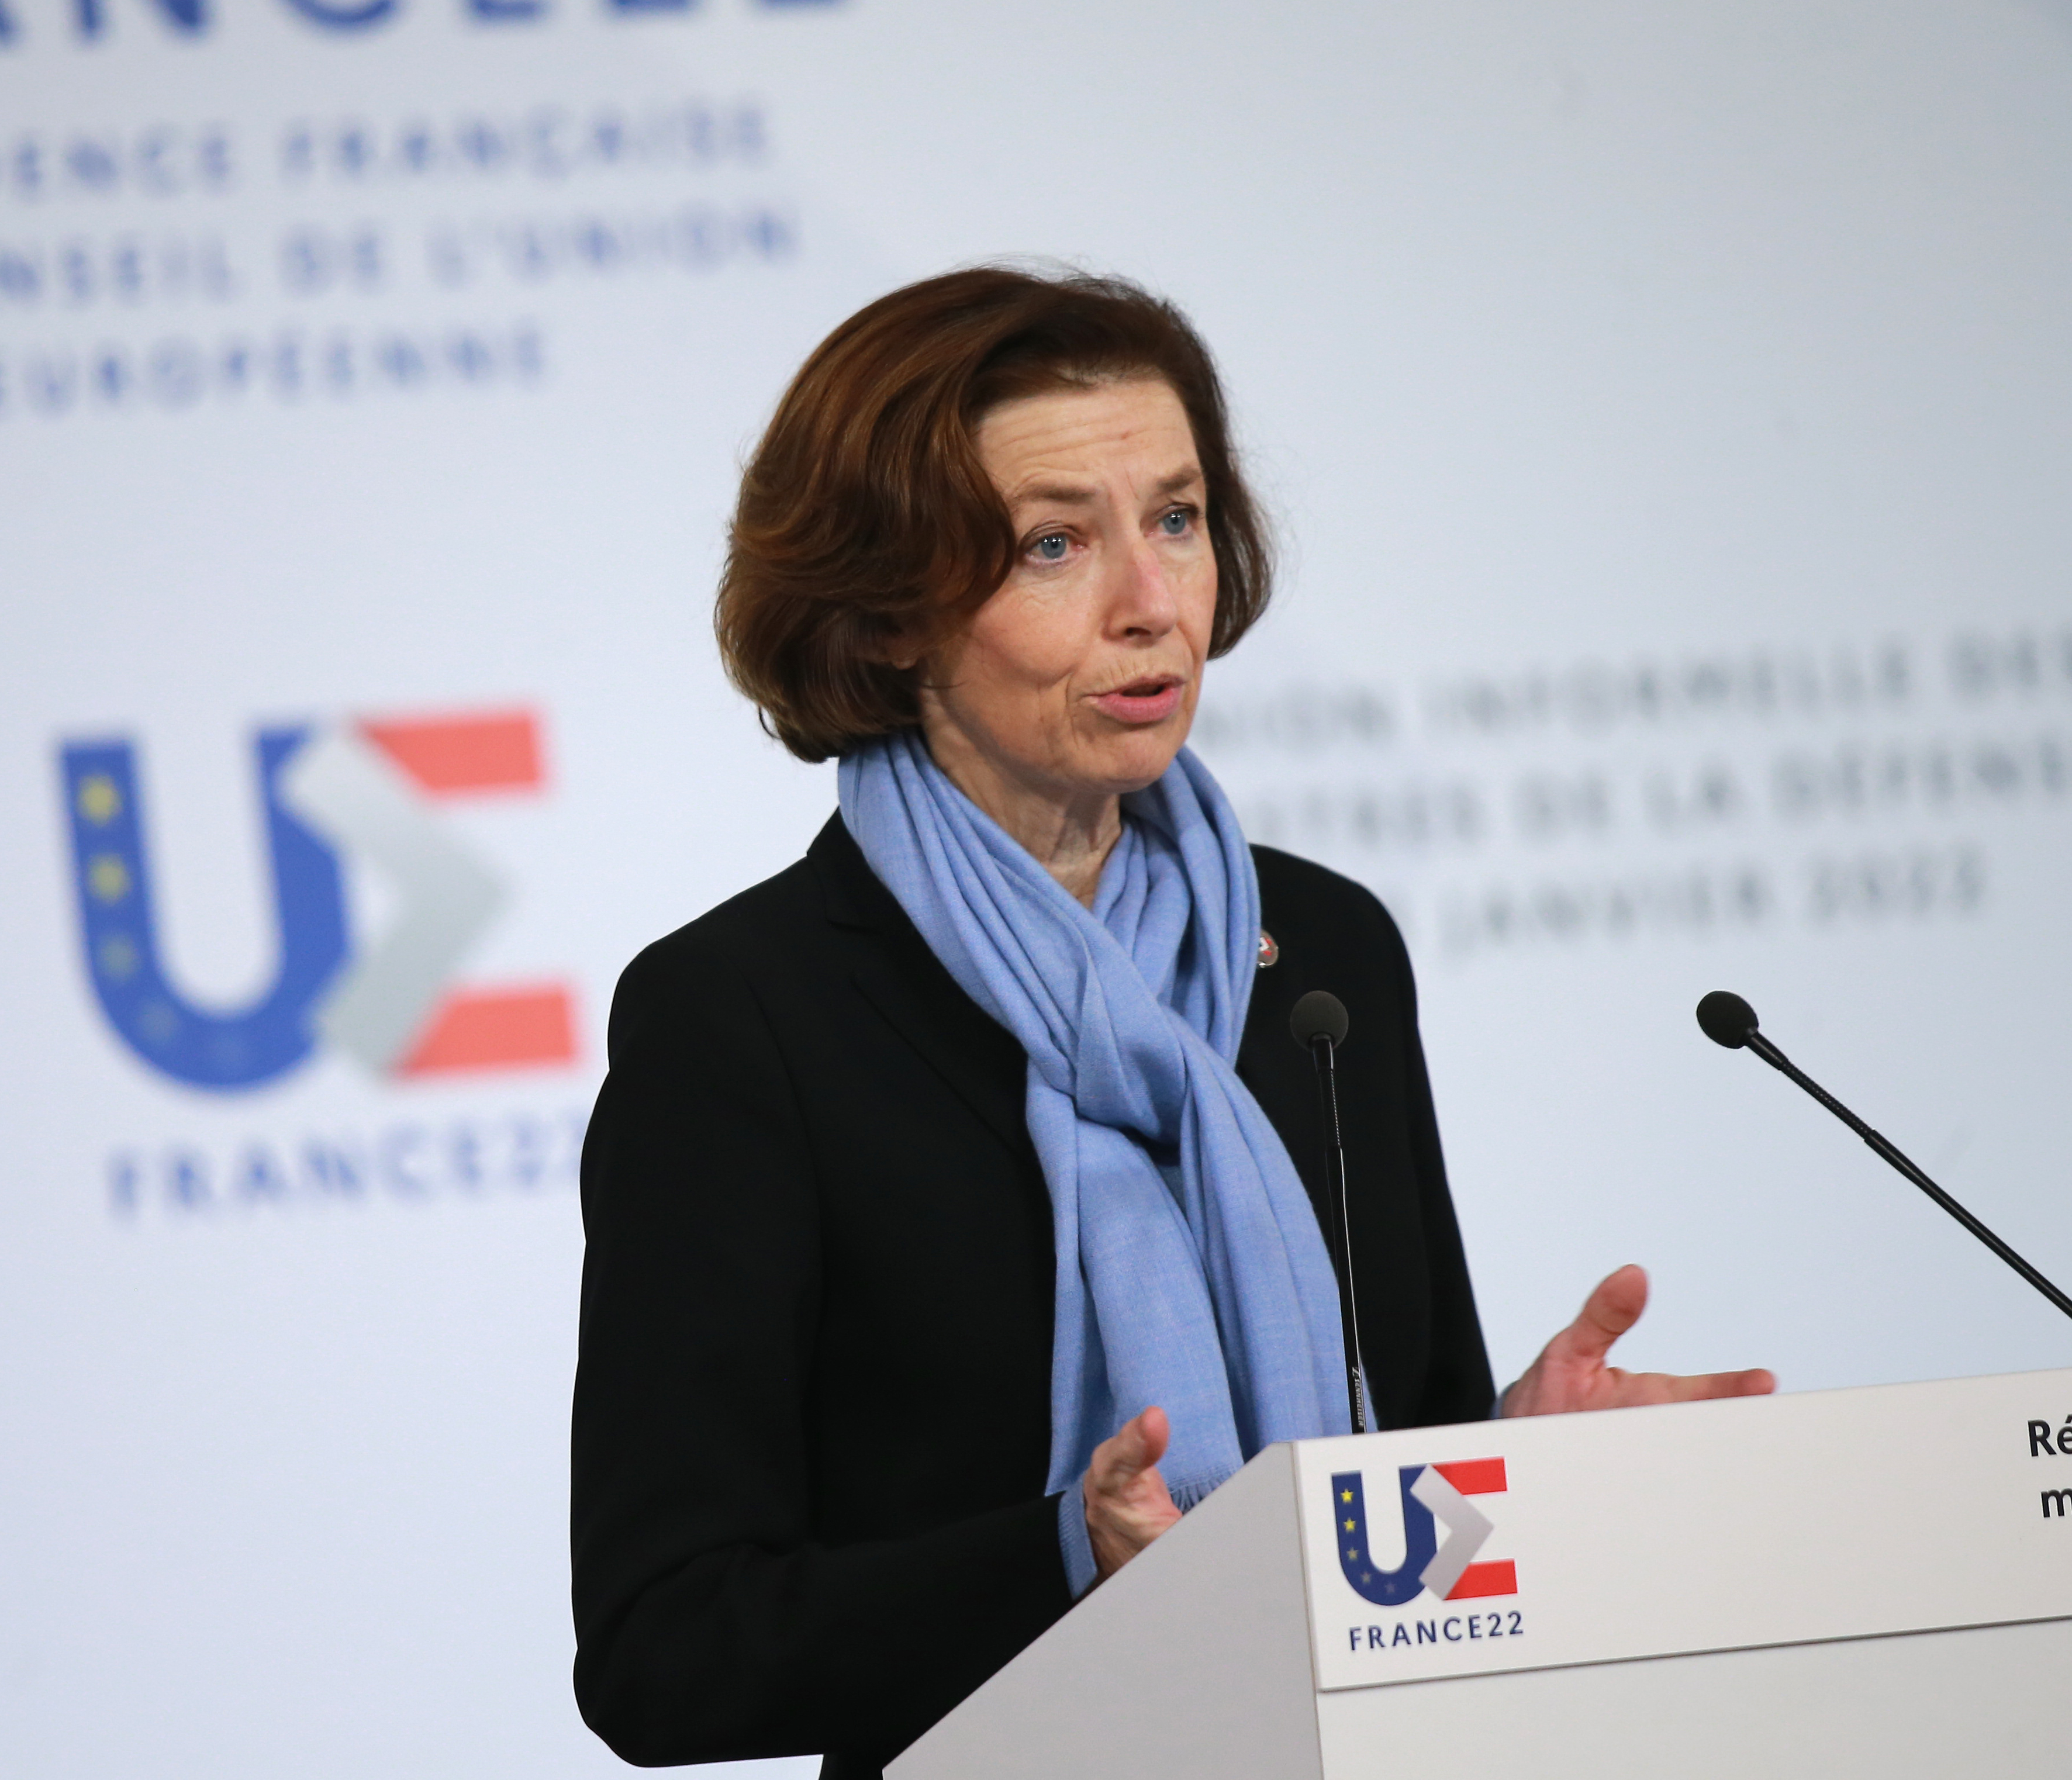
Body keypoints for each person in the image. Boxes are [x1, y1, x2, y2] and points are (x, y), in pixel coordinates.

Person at [569, 268, 1770, 1776]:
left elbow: (1400, 1494)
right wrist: (1066, 1556)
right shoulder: (748, 1017)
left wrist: (1513, 1460)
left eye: (1180, 519)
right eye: (1055, 543)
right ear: (882, 615)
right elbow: (661, 1652)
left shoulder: (1324, 951)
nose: (1153, 606)